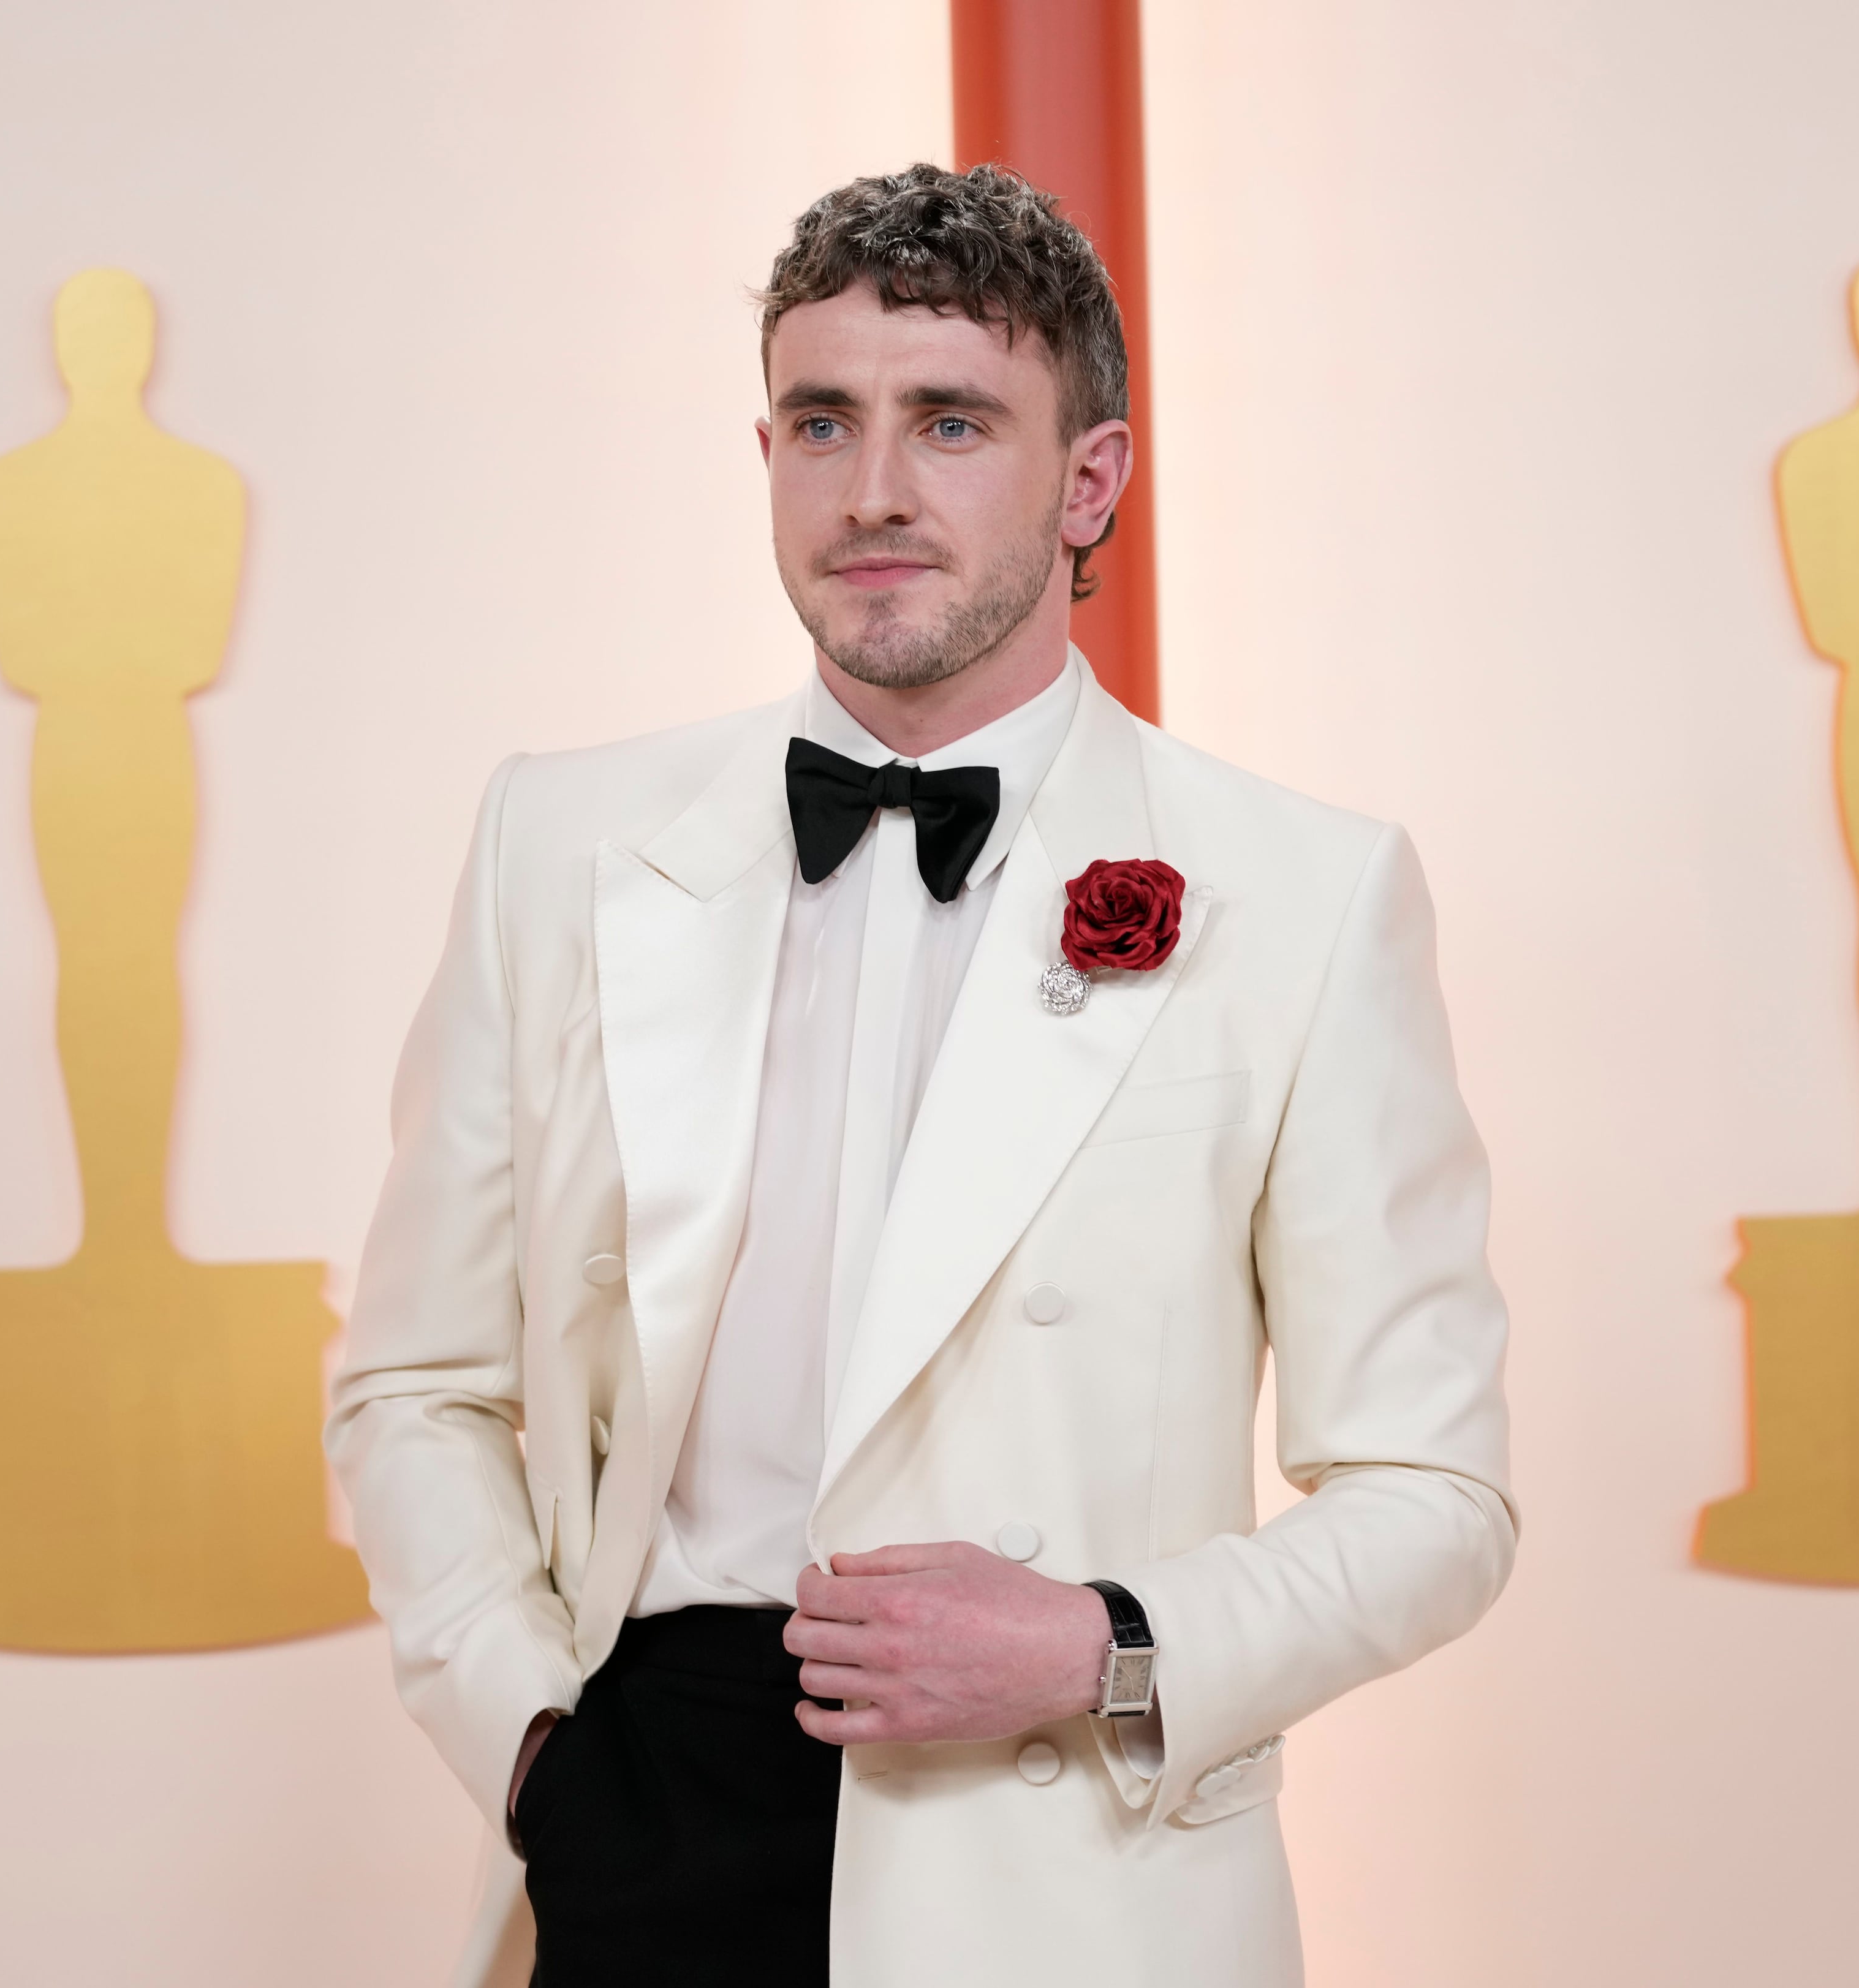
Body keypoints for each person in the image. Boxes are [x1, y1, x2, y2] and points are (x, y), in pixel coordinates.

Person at [329, 162, 1515, 1988]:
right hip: (646, 1819)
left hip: (1061, 1849)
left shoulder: (1307, 893)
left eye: (950, 421)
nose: (873, 490)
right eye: (824, 422)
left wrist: (1108, 1644)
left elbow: (1433, 1494)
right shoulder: (557, 844)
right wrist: (531, 1746)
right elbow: (416, 1381)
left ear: (1090, 478)